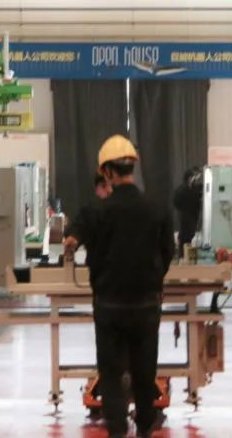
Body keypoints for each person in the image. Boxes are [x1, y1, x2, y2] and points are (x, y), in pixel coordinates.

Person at [64, 136, 176, 438]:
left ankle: (117, 430)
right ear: (132, 168)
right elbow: (168, 252)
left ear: (108, 172)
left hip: (109, 305)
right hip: (146, 304)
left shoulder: (96, 211)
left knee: (111, 373)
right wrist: (153, 279)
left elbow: (73, 234)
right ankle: (144, 428)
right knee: (144, 371)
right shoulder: (157, 209)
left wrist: (73, 240)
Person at [172, 166, 204, 248]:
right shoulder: (182, 190)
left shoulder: (193, 188)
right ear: (189, 178)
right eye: (194, 176)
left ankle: (185, 251)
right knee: (185, 237)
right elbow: (176, 202)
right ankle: (183, 253)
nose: (196, 178)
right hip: (186, 216)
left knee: (189, 236)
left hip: (192, 216)